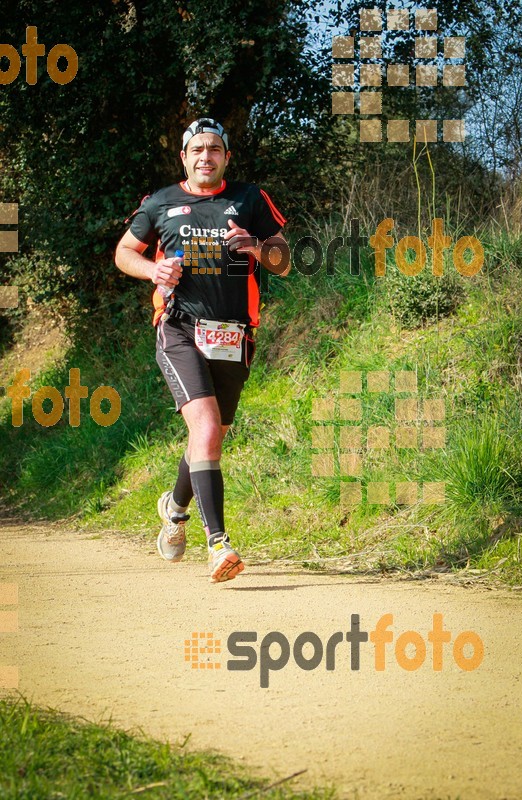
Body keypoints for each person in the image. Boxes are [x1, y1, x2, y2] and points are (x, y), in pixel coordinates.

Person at [115, 117, 290, 583]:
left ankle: (173, 506)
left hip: (234, 336)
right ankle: (219, 546)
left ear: (226, 157)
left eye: (215, 149)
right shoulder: (160, 203)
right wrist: (153, 273)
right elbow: (124, 252)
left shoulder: (250, 200)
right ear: (185, 157)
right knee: (207, 427)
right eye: (198, 150)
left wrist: (254, 245)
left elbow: (285, 261)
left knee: (211, 436)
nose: (206, 157)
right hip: (179, 329)